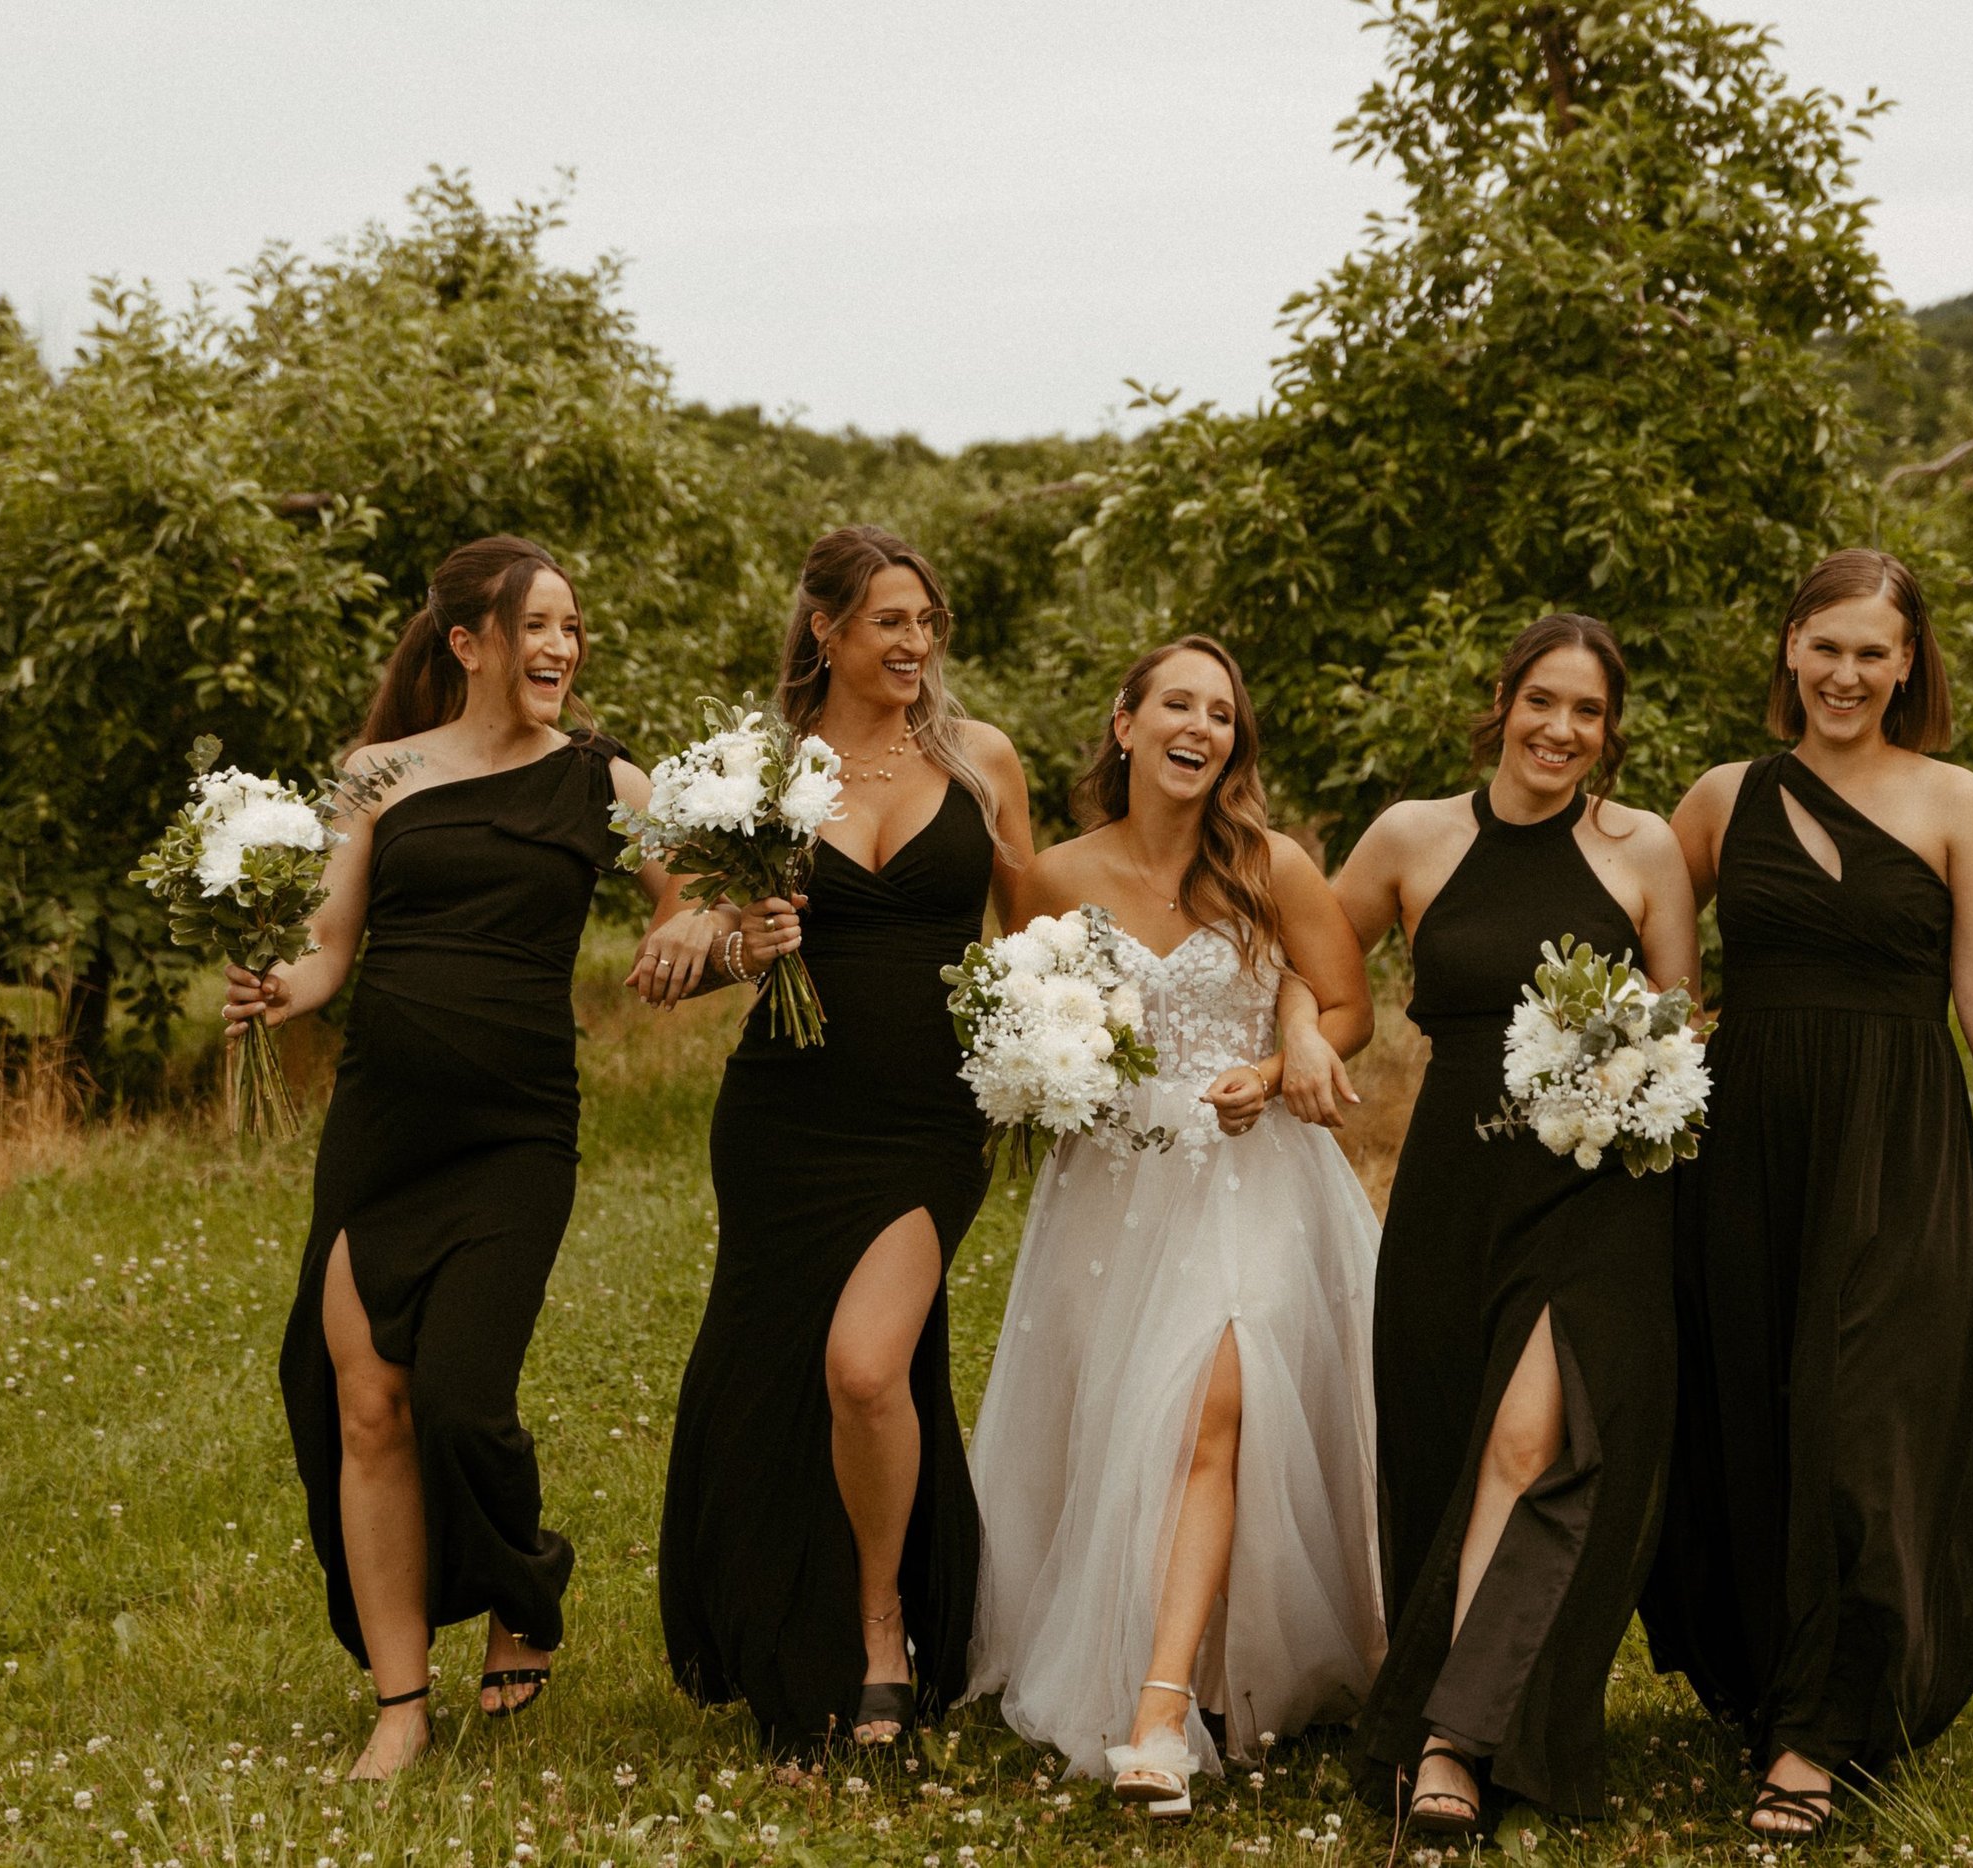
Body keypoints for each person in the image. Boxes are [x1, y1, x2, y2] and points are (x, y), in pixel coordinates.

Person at [233, 535, 702, 1780]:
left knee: (457, 1398)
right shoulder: (373, 774)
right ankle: (400, 1701)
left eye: (571, 626)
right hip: (383, 1125)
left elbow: (695, 896)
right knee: (369, 1405)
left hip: (516, 1131)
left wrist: (692, 928)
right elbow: (334, 945)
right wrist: (286, 984)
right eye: (537, 625)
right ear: (468, 642)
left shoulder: (610, 779)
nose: (560, 647)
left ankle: (524, 1582)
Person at [1642, 548, 1973, 1841]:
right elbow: (1643, 951)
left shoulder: (1956, 802)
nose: (1846, 673)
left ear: (1909, 664)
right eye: (1824, 646)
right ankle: (1773, 1674)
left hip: (1896, 1137)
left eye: (1871, 651)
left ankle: (1822, 1731)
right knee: (1759, 1400)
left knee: (1866, 1411)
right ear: (1789, 650)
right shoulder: (1723, 799)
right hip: (1748, 1139)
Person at [966, 637, 1384, 1818]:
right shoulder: (1050, 877)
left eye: (1221, 712)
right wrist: (1048, 1077)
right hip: (1113, 1187)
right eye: (1178, 705)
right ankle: (1183, 1645)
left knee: (1216, 1397)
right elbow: (1017, 1019)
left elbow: (1346, 1001)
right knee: (1126, 1418)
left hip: (1253, 1170)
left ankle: (1157, 1713)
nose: (1200, 725)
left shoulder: (1271, 864)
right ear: (1125, 722)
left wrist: (1284, 1050)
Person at [1312, 614, 1699, 1830]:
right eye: (1545, 701)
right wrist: (1292, 1042)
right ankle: (1448, 1691)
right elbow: (1311, 958)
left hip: (1600, 1190)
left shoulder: (1642, 849)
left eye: (1588, 712)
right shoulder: (1412, 836)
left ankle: (1450, 1742)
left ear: (1609, 731)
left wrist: (1644, 1066)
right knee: (1445, 1442)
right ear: (1503, 700)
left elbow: (1682, 1022)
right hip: (1451, 1182)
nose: (1562, 730)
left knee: (1532, 1441)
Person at [656, 524, 1035, 1751]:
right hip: (784, 1115)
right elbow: (671, 958)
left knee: (869, 1367)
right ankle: (782, 1619)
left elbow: (1036, 930)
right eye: (890, 621)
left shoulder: (980, 761)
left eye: (928, 622)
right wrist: (731, 945)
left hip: (933, 1115)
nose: (916, 643)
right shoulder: (758, 775)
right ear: (826, 628)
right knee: (780, 1372)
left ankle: (882, 1629)